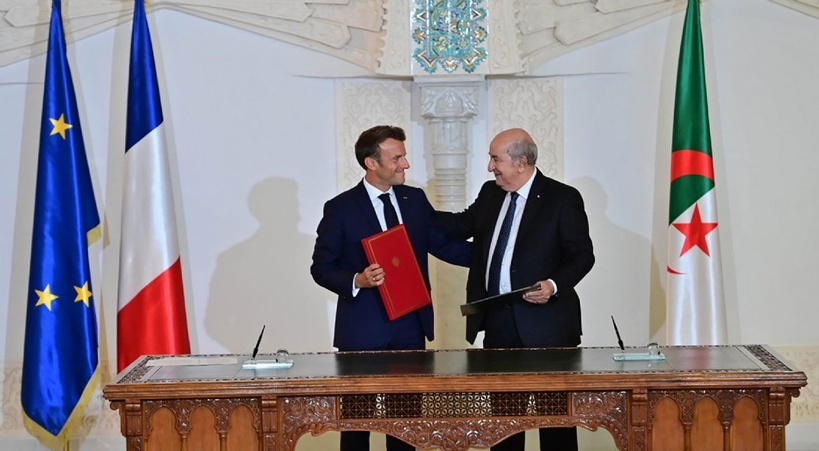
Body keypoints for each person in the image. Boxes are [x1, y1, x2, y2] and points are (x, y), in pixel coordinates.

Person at [310, 125, 470, 451]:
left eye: (404, 157)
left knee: (406, 424)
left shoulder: (415, 200)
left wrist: (498, 261)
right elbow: (321, 268)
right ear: (371, 163)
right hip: (362, 331)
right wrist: (358, 280)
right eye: (397, 158)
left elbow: (443, 245)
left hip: (410, 326)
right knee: (357, 426)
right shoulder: (340, 208)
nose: (405, 164)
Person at [435, 128, 595, 451]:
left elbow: (582, 256)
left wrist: (553, 285)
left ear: (521, 162)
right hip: (499, 325)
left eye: (496, 159)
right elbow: (459, 225)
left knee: (556, 427)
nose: (490, 167)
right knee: (504, 426)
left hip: (548, 328)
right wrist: (415, 212)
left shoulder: (562, 198)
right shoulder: (490, 193)